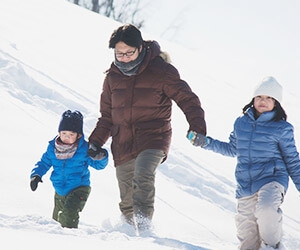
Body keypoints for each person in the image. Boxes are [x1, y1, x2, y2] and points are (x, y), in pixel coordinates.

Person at [88, 24, 206, 232]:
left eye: (129, 53)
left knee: (143, 174)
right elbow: (107, 116)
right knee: (126, 195)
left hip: (154, 137)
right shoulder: (112, 77)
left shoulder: (161, 71)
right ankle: (127, 232)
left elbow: (187, 98)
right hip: (122, 140)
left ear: (140, 48)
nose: (123, 57)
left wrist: (197, 126)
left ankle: (144, 228)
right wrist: (95, 142)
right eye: (119, 53)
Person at [188, 76, 300, 250]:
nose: (263, 101)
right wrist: (206, 143)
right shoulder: (241, 123)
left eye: (269, 98)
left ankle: (273, 246)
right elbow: (233, 149)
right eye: (259, 97)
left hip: (272, 179)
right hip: (245, 185)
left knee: (266, 209)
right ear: (253, 99)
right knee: (247, 239)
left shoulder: (281, 128)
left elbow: (292, 160)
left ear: (276, 103)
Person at [30, 110, 108, 228]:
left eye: (71, 135)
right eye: (64, 133)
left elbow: (98, 166)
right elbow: (43, 163)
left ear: (79, 136)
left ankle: (71, 239)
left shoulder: (83, 149)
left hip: (79, 188)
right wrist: (36, 175)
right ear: (59, 133)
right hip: (59, 190)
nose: (67, 137)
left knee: (68, 215)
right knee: (56, 222)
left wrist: (101, 156)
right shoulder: (53, 148)